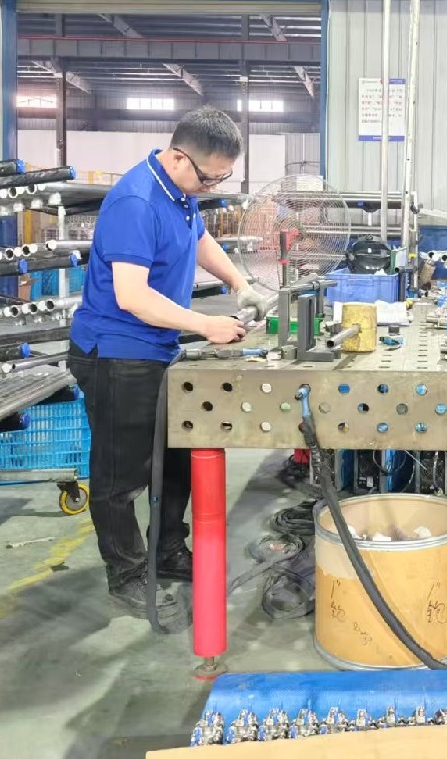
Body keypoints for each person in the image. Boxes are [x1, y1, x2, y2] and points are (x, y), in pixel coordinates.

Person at [68, 107, 271, 625]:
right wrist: (206, 325)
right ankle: (127, 574)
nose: (212, 186)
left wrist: (240, 284)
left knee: (175, 458)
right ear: (179, 157)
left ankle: (167, 550)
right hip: (118, 353)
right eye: (210, 178)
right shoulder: (135, 202)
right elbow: (132, 296)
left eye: (222, 178)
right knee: (121, 475)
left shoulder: (180, 192)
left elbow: (199, 238)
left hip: (158, 348)